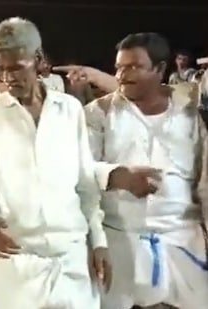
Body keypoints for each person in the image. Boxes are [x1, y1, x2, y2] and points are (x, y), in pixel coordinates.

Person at [0, 17, 110, 309]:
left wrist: (98, 242)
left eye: (16, 67)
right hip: (17, 260)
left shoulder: (69, 110)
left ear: (38, 59)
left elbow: (85, 182)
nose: (7, 78)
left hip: (70, 257)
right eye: (0, 69)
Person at [85, 32, 208, 309]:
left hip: (184, 241)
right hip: (121, 242)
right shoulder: (98, 113)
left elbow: (205, 181)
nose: (122, 75)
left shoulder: (189, 109)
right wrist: (116, 176)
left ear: (160, 69)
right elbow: (78, 168)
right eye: (119, 67)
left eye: (134, 66)